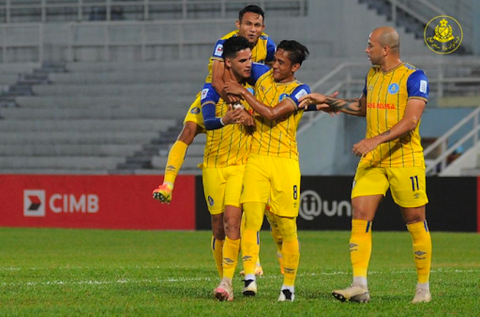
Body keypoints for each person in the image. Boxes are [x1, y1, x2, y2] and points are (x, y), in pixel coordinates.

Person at [298, 26, 432, 304]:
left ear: (385, 49)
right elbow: (362, 108)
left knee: (415, 221)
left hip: (405, 159)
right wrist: (329, 101)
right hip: (374, 162)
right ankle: (359, 285)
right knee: (360, 214)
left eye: (370, 45)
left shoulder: (414, 76)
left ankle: (423, 288)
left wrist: (374, 141)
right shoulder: (372, 75)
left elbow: (411, 122)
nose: (365, 49)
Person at [152, 5, 275, 205]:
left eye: (257, 25)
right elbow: (217, 80)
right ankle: (168, 184)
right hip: (217, 94)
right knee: (188, 131)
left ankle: (262, 191)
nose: (253, 29)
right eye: (248, 24)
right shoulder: (224, 43)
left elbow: (274, 72)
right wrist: (236, 107)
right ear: (239, 25)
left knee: (257, 137)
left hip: (243, 94)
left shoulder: (267, 44)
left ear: (263, 27)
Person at [224, 40, 314, 302]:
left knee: (287, 227)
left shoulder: (301, 90)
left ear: (295, 67)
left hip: (285, 163)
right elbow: (228, 65)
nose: (275, 66)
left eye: (282, 63)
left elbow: (273, 113)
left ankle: (288, 286)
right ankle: (250, 276)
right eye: (274, 60)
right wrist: (244, 114)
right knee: (250, 219)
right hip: (257, 159)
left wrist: (244, 95)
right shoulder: (263, 79)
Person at [199, 36, 256, 301]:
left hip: (241, 166)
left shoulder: (254, 88)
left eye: (251, 59)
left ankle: (226, 283)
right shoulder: (210, 90)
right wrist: (227, 118)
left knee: (233, 221)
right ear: (228, 62)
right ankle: (225, 278)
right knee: (218, 228)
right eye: (243, 60)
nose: (249, 64)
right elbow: (208, 121)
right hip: (213, 166)